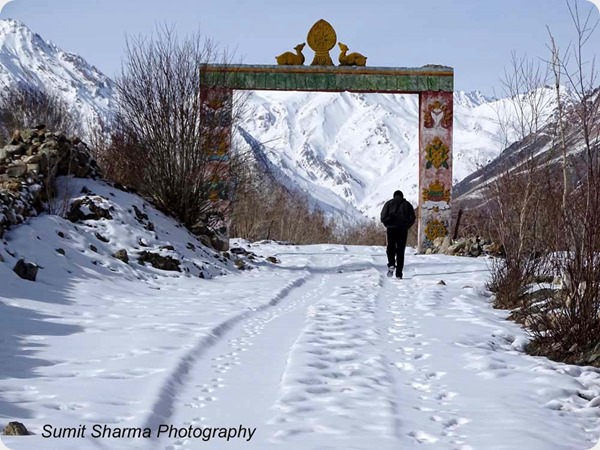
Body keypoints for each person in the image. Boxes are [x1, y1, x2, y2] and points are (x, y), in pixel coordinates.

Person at [380, 190, 416, 279]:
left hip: (391, 229)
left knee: (390, 247)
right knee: (400, 251)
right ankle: (399, 273)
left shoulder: (389, 203)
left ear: (394, 196)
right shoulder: (407, 205)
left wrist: (387, 225)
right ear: (402, 196)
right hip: (403, 230)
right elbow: (412, 218)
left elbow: (383, 217)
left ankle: (391, 263)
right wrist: (407, 226)